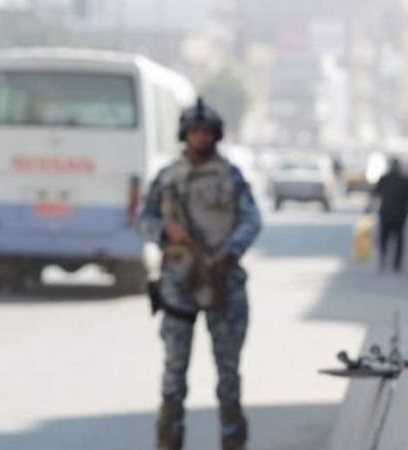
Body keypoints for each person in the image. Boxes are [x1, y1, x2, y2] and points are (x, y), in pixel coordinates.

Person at [137, 98, 261, 450]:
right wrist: (165, 230)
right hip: (178, 283)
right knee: (174, 372)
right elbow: (143, 219)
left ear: (216, 135)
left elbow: (251, 219)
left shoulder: (230, 176)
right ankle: (169, 440)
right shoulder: (167, 177)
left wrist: (229, 252)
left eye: (206, 132)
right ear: (184, 134)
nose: (200, 138)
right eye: (194, 131)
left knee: (228, 374)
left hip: (222, 281)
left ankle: (232, 441)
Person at [371, 157, 408, 272]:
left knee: (384, 239)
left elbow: (375, 193)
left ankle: (383, 259)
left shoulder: (384, 179)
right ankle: (396, 264)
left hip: (386, 213)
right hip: (400, 215)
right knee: (399, 240)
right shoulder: (405, 180)